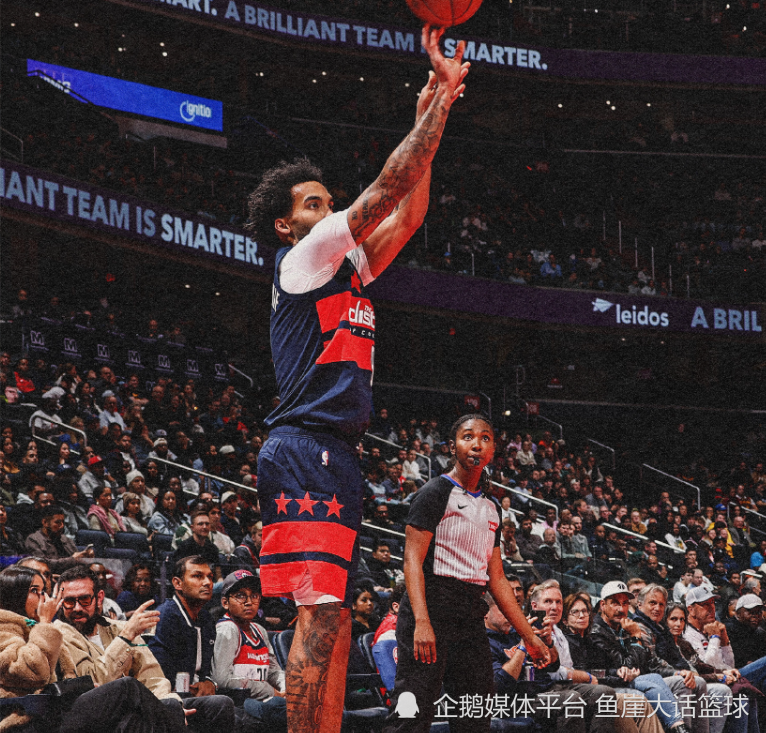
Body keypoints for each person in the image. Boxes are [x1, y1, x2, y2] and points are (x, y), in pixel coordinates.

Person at [248, 26, 471, 733]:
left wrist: (429, 112)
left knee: (337, 617)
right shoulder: (303, 259)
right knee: (319, 617)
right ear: (287, 225)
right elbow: (387, 188)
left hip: (337, 451)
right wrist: (441, 102)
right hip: (303, 445)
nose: (327, 212)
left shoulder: (347, 269)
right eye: (313, 204)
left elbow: (411, 210)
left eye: (327, 202)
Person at [382, 415, 549, 733]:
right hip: (430, 609)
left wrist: (529, 637)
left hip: (470, 616)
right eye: (468, 436)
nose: (476, 444)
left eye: (485, 438)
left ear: (493, 450)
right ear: (452, 446)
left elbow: (497, 579)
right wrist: (421, 622)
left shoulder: (492, 508)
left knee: (476, 712)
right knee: (412, 714)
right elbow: (412, 561)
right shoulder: (434, 492)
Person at [52, 564, 188, 733]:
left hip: (140, 709)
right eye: (69, 601)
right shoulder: (58, 633)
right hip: (91, 718)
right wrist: (125, 638)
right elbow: (94, 683)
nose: (77, 608)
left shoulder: (120, 627)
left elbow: (152, 677)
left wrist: (170, 704)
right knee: (127, 686)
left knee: (214, 705)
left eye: (85, 599)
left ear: (99, 598)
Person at [148, 556, 236, 732]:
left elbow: (209, 668)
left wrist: (209, 682)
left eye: (210, 577)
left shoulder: (206, 618)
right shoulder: (164, 617)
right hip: (170, 700)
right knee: (222, 704)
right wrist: (189, 688)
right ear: (177, 583)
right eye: (197, 576)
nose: (207, 583)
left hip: (197, 696)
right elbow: (157, 676)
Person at [211, 570, 286, 730]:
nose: (249, 602)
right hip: (239, 703)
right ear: (225, 603)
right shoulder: (227, 629)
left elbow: (273, 671)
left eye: (254, 596)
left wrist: (285, 687)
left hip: (263, 702)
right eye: (240, 596)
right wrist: (270, 691)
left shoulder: (259, 630)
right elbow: (222, 679)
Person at [25, 505, 94, 569]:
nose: (62, 526)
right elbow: (43, 564)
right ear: (45, 522)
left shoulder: (65, 539)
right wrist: (72, 560)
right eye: (57, 522)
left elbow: (77, 560)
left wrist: (86, 557)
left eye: (63, 522)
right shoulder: (33, 540)